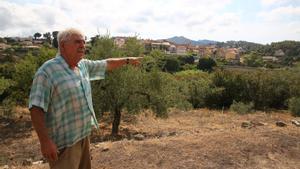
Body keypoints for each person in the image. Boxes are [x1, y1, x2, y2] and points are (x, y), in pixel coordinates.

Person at [29, 28, 141, 169]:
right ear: (62, 45)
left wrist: (127, 60)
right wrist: (45, 142)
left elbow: (106, 64)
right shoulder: (47, 72)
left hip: (83, 136)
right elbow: (36, 107)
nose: (83, 45)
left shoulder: (82, 66)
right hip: (64, 144)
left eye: (84, 42)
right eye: (77, 42)